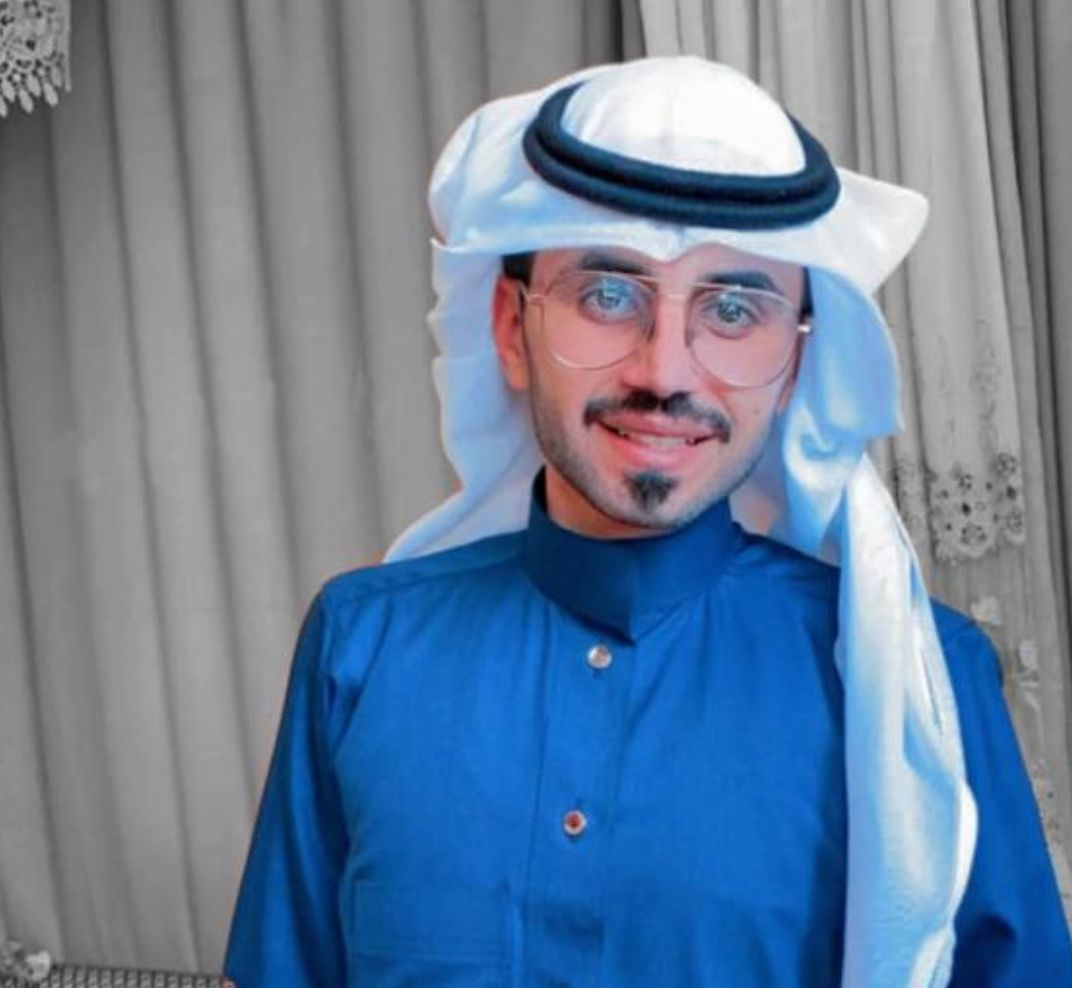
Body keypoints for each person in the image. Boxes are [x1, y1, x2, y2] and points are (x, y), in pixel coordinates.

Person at [223, 57, 1072, 987]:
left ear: (796, 362)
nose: (664, 373)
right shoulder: (363, 648)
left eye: (734, 309)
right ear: (510, 329)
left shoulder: (913, 682)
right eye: (607, 295)